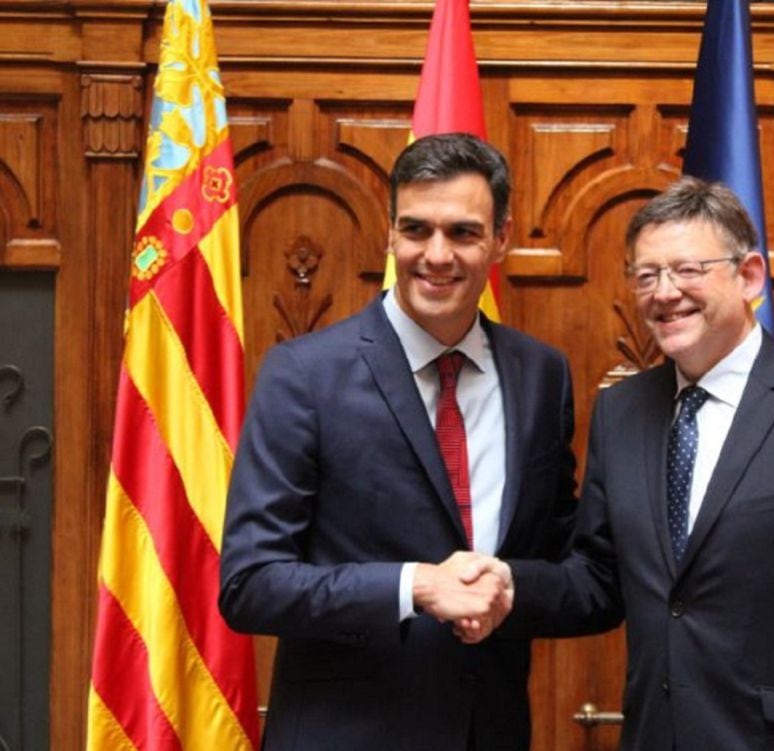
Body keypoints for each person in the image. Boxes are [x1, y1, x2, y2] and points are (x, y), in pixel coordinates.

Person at [484, 176, 774, 750]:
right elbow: (600, 581)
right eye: (646, 275)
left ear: (748, 276)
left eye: (687, 270)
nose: (664, 292)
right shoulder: (621, 411)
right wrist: (508, 585)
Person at [218, 133, 577, 751]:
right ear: (389, 234)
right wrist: (414, 586)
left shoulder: (541, 375)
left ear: (502, 237)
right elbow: (251, 585)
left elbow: (571, 566)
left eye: (463, 232)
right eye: (416, 230)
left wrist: (509, 587)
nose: (436, 255)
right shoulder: (304, 374)